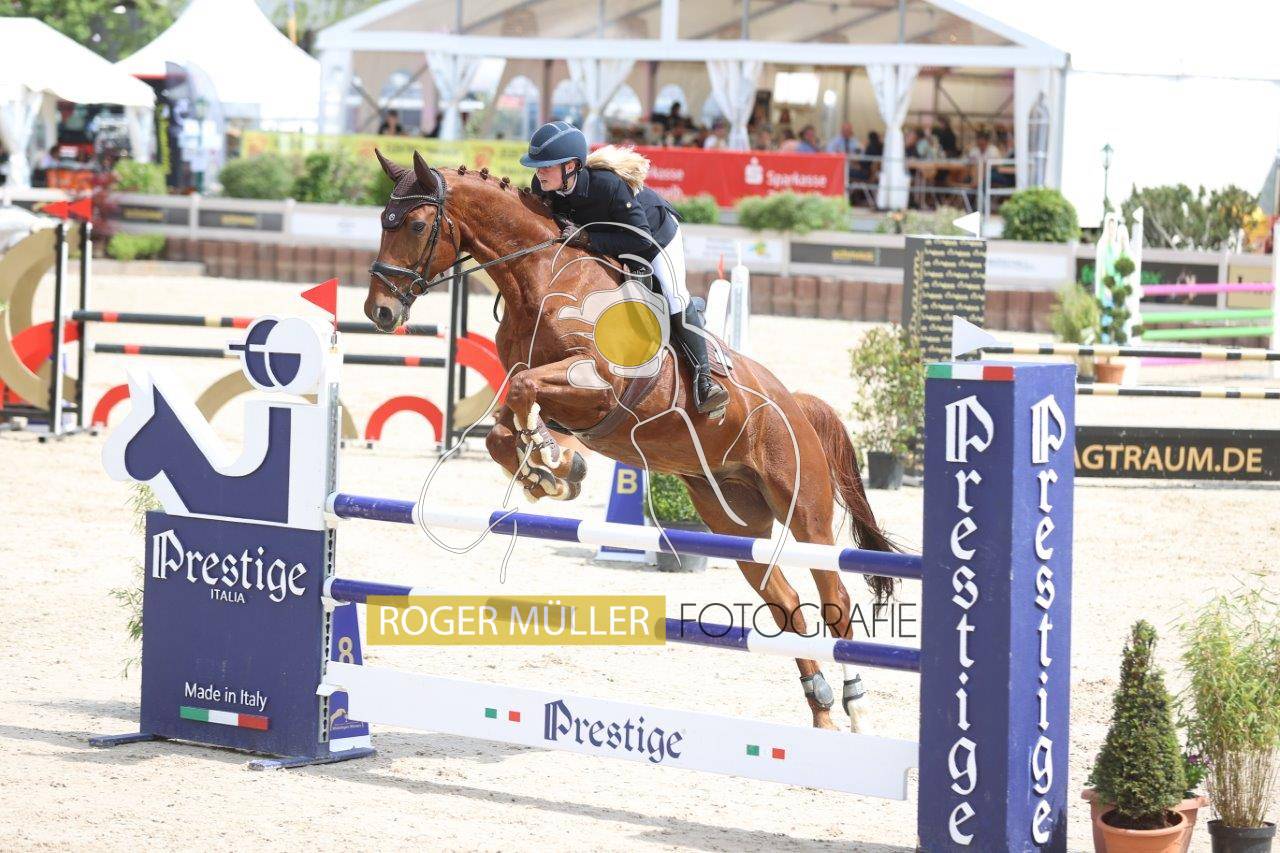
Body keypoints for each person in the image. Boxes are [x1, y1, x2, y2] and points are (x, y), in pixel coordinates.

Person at [520, 121, 729, 413]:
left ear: (571, 166)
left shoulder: (606, 185)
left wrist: (588, 239)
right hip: (607, 239)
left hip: (654, 236)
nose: (539, 172)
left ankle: (704, 380)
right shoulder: (543, 187)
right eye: (537, 167)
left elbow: (639, 239)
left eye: (547, 166)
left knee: (673, 294)